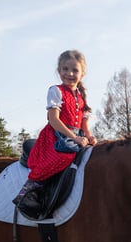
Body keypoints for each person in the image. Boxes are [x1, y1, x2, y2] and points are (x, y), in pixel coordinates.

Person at [13, 50, 97, 214]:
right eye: (65, 69)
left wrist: (89, 136)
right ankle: (29, 189)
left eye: (75, 70)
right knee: (63, 156)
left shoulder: (81, 97)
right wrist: (75, 138)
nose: (69, 74)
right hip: (56, 136)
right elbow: (54, 120)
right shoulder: (56, 91)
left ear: (83, 73)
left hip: (76, 137)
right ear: (59, 71)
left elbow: (84, 124)